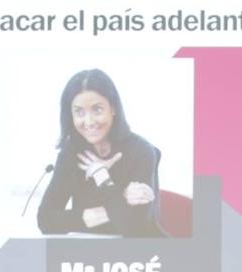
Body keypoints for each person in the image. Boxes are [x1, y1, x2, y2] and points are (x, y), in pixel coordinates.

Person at [37, 69, 166, 237]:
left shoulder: (142, 151)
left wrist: (101, 176)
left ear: (113, 108)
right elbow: (46, 221)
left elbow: (135, 229)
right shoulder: (70, 154)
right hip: (89, 252)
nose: (89, 122)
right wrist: (122, 199)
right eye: (79, 112)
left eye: (97, 110)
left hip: (141, 256)